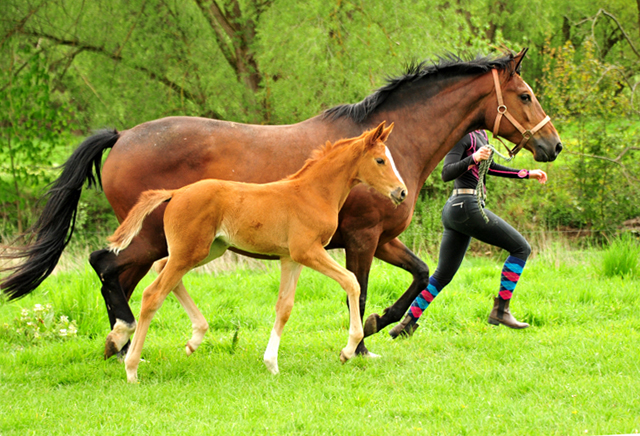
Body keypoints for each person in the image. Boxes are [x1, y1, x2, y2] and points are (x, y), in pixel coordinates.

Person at [389, 130, 547, 338]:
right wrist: (473, 158)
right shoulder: (464, 136)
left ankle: (406, 324)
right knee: (521, 248)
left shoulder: (482, 136)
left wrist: (526, 173)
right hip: (466, 206)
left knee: (442, 276)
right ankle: (501, 310)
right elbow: (446, 173)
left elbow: (491, 168)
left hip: (458, 209)